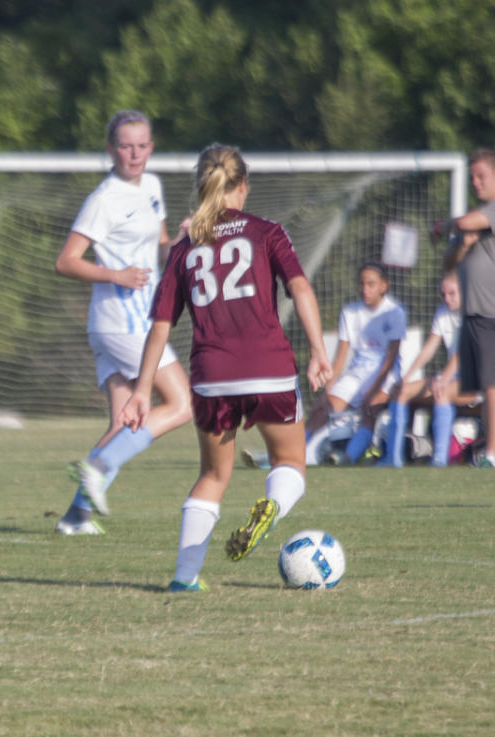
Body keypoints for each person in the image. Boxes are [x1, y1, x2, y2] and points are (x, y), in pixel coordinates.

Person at [120, 143, 332, 592]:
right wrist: (318, 350)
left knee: (214, 475)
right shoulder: (266, 231)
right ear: (243, 186)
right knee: (291, 460)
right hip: (269, 369)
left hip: (211, 379)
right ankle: (272, 506)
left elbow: (159, 328)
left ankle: (183, 577)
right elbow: (302, 290)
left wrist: (141, 391)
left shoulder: (184, 247)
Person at [54, 110, 193, 535]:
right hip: (123, 323)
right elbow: (65, 262)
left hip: (123, 323)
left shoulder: (151, 186)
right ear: (111, 149)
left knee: (123, 423)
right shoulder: (104, 199)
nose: (134, 154)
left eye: (142, 145)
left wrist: (184, 240)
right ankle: (97, 467)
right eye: (126, 146)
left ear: (151, 147)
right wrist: (115, 274)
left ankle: (75, 518)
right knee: (183, 404)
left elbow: (162, 248)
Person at [435, 148, 495, 470]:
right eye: (472, 177)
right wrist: (462, 242)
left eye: (481, 176)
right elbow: (449, 263)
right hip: (475, 313)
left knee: (493, 385)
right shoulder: (471, 227)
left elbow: (465, 221)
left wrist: (449, 225)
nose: (475, 182)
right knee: (488, 385)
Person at [303, 263, 406, 466]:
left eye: (371, 284)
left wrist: (373, 390)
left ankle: (347, 457)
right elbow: (341, 355)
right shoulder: (350, 312)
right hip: (357, 372)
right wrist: (330, 386)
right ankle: (295, 455)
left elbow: (390, 358)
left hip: (385, 374)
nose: (365, 289)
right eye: (362, 284)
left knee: (370, 409)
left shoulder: (395, 312)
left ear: (383, 286)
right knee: (323, 408)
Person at [383, 271, 475, 467]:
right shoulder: (442, 313)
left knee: (441, 392)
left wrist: (443, 380)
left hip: (475, 379)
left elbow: (462, 355)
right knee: (401, 391)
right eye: (443, 294)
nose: (447, 299)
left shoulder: (474, 313)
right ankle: (393, 458)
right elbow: (429, 349)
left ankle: (440, 459)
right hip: (451, 377)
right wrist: (405, 378)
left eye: (452, 293)